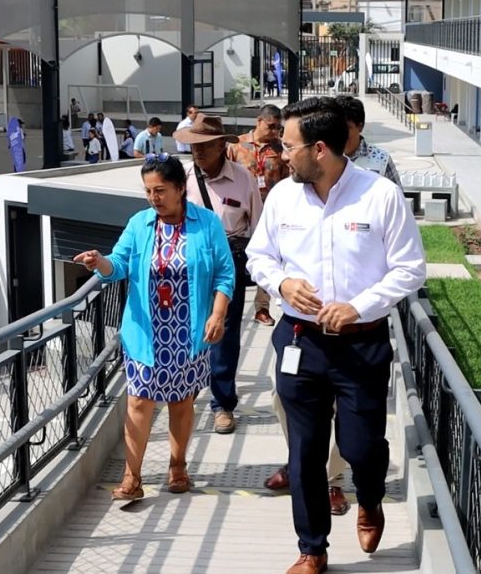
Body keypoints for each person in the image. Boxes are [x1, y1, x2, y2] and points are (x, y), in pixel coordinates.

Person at [246, 96, 426, 574]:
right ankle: (312, 549)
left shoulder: (379, 196)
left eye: (289, 146)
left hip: (361, 344)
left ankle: (369, 496)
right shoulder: (283, 196)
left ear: (319, 149)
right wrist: (281, 282)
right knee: (304, 451)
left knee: (360, 445)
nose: (282, 154)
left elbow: (411, 268)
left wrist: (358, 306)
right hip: (299, 342)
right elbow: (258, 256)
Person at [73, 155, 234, 501]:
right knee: (138, 402)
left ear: (180, 189)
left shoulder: (206, 224)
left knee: (181, 402)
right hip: (146, 331)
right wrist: (99, 262)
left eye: (160, 190)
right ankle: (132, 478)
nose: (153, 198)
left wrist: (217, 313)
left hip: (189, 331)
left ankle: (177, 466)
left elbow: (225, 273)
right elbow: (118, 265)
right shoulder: (139, 224)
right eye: (148, 191)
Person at [175, 114, 262, 435]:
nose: (197, 152)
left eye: (204, 146)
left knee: (223, 332)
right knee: (188, 327)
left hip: (230, 261)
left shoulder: (243, 178)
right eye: (193, 146)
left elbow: (257, 227)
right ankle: (185, 390)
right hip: (189, 263)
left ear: (221, 146)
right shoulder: (181, 178)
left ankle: (222, 403)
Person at [227, 104, 285, 326]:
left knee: (269, 256)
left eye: (277, 128)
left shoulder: (279, 150)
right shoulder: (236, 146)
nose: (274, 132)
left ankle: (262, 307)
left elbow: (287, 180)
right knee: (235, 254)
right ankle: (228, 301)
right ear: (259, 122)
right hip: (241, 210)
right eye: (271, 126)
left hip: (270, 210)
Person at [337, 96, 402, 190]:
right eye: (337, 127)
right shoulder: (326, 158)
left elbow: (397, 198)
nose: (341, 133)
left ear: (360, 126)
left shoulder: (382, 160)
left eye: (347, 128)